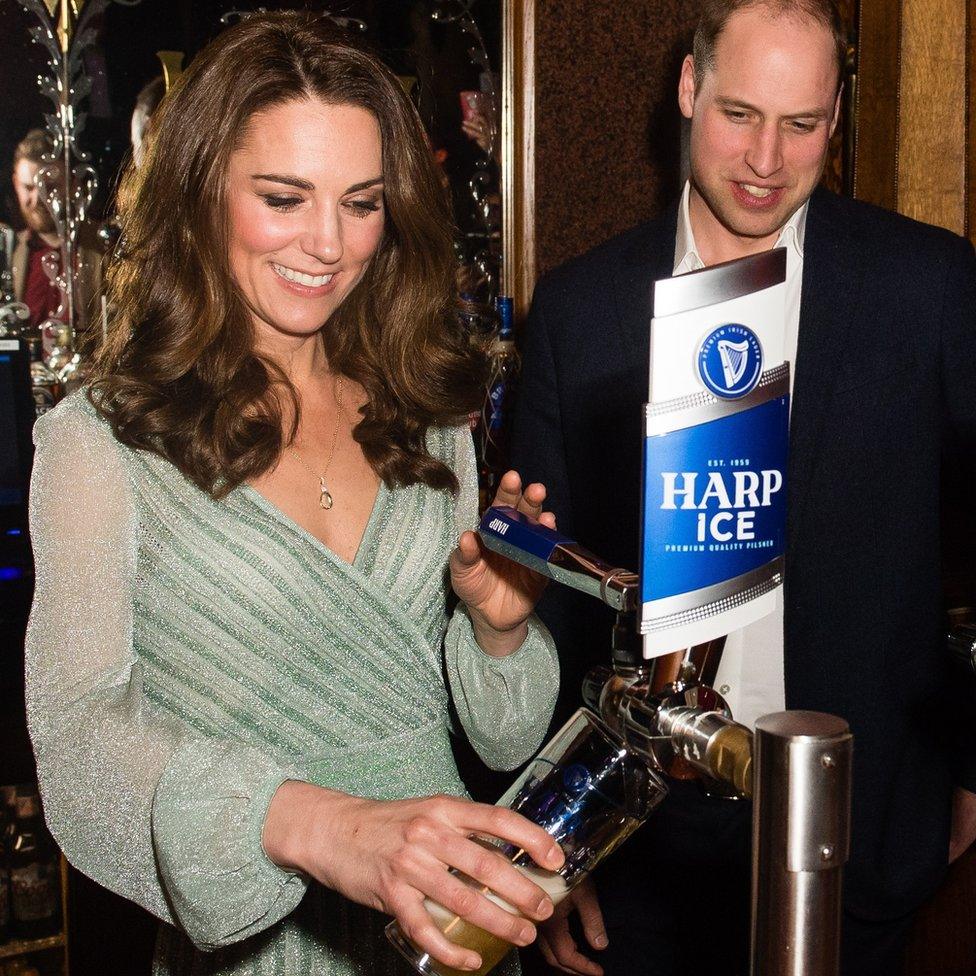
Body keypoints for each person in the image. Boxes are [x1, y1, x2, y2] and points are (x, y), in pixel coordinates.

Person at [26, 12, 565, 975]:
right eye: (284, 197)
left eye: (361, 203)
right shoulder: (97, 444)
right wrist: (314, 825)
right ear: (200, 194)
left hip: (449, 931)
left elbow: (503, 735)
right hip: (259, 947)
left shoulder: (427, 410)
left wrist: (500, 629)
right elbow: (76, 749)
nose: (328, 244)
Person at [510, 1, 976, 974]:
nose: (766, 159)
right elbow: (545, 601)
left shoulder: (927, 287)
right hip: (638, 852)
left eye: (800, 124)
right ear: (687, 86)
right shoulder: (583, 310)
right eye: (738, 114)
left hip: (861, 839)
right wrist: (551, 836)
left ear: (837, 114)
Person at [3, 128, 102, 332]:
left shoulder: (103, 249)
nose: (39, 198)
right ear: (15, 183)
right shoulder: (8, 254)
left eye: (49, 187)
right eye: (29, 187)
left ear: (73, 183)